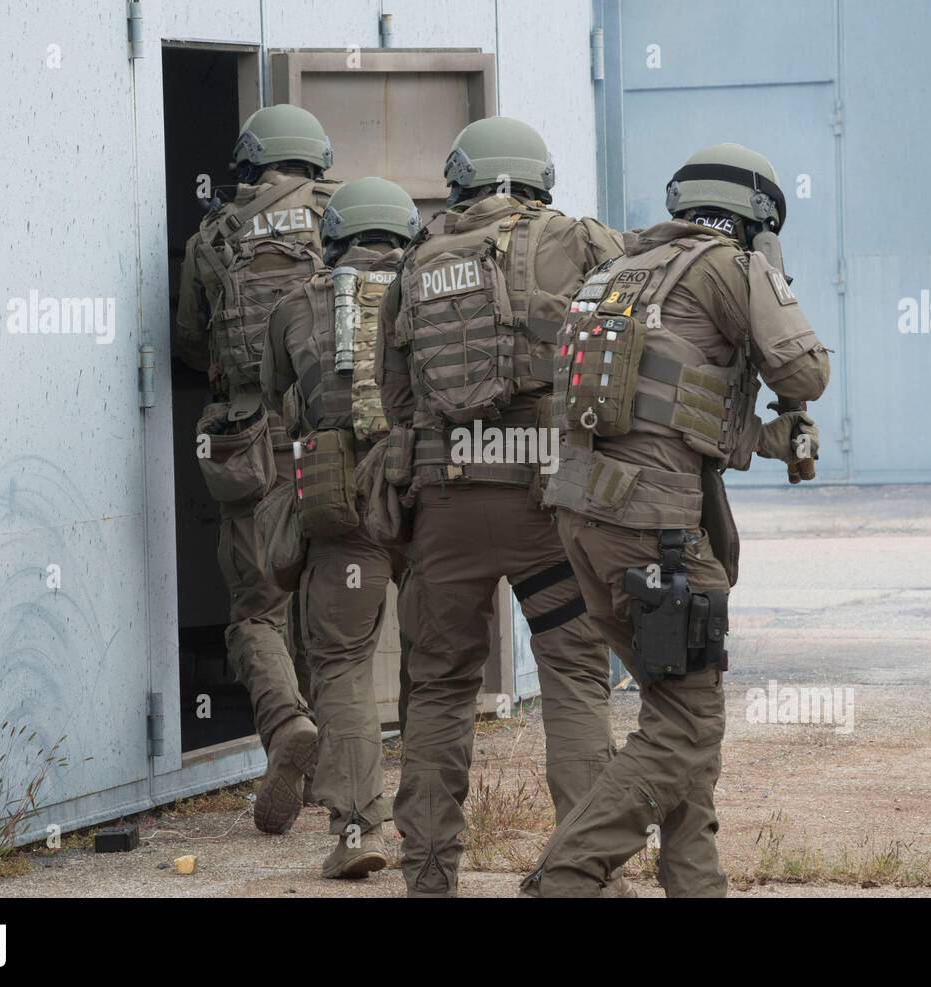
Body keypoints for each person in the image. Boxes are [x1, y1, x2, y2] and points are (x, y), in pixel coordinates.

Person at [520, 143, 831, 897]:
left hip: (587, 520)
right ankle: (562, 879)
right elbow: (806, 371)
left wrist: (764, 438)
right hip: (653, 531)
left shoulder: (619, 269)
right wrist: (771, 278)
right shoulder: (726, 267)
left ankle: (698, 885)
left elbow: (669, 413)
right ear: (754, 218)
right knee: (687, 727)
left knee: (678, 715)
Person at [376, 116, 626, 897]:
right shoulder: (583, 242)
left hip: (448, 512)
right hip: (548, 509)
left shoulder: (417, 260)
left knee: (442, 687)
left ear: (461, 182)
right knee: (573, 679)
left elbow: (394, 397)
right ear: (539, 178)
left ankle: (426, 876)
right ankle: (584, 876)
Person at [174, 104, 338, 834]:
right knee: (339, 603)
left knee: (256, 610)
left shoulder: (213, 236)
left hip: (249, 441)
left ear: (247, 165)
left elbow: (184, 341)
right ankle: (343, 777)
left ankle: (285, 726)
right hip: (333, 432)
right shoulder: (340, 218)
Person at [260, 176, 420, 877]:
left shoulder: (299, 304)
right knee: (440, 660)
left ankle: (359, 827)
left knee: (344, 662)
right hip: (428, 492)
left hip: (343, 503)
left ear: (333, 242)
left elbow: (273, 392)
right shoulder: (435, 290)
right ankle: (438, 821)